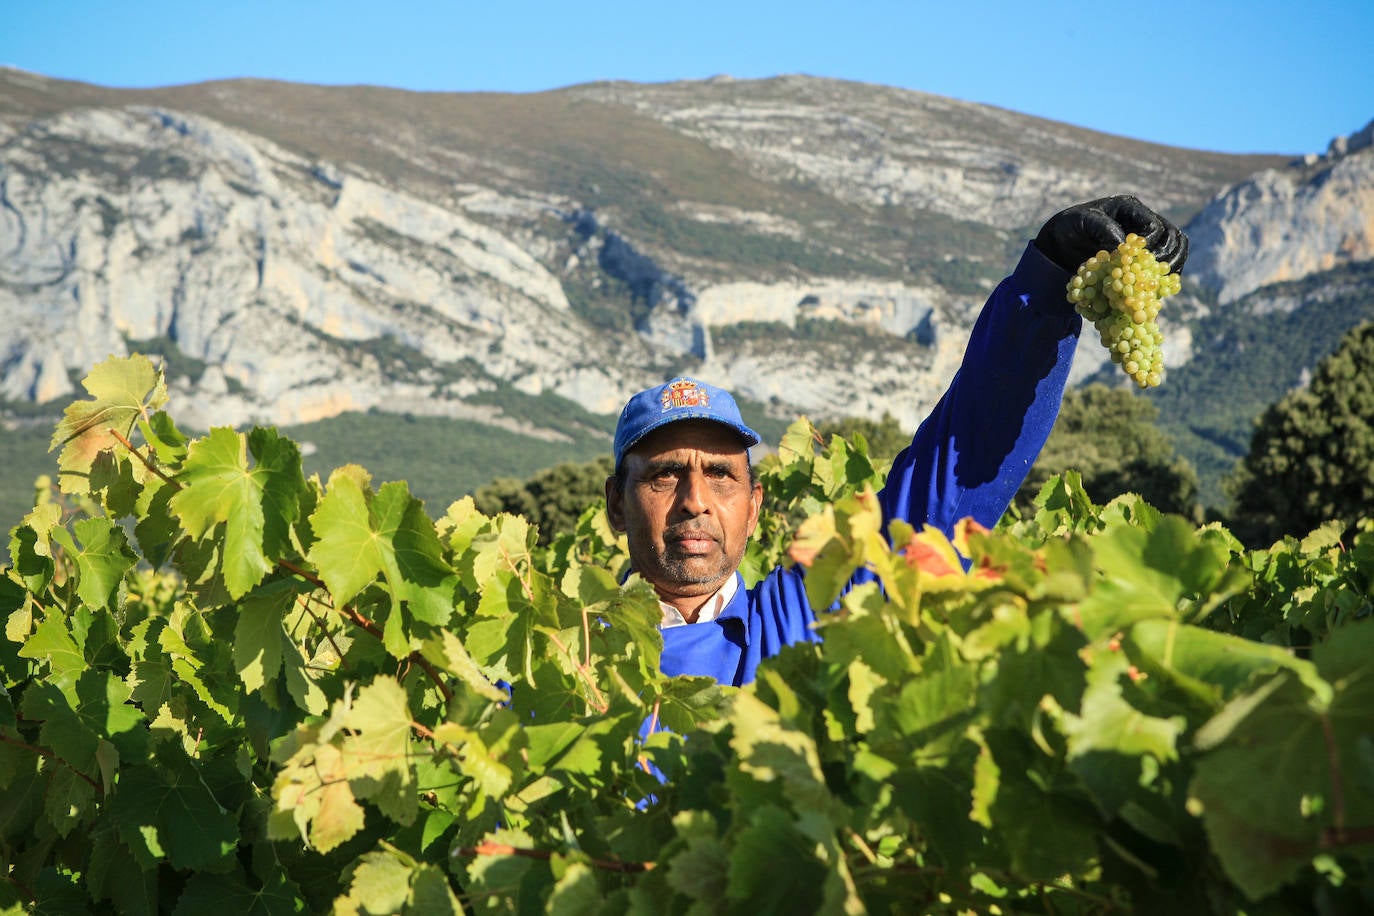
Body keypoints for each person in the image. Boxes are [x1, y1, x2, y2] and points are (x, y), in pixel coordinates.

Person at [604, 196, 1188, 687]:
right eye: (664, 474)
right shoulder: (553, 657)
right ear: (615, 506)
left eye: (722, 475)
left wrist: (1048, 276)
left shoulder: (814, 614)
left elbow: (958, 469)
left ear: (754, 507)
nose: (695, 500)